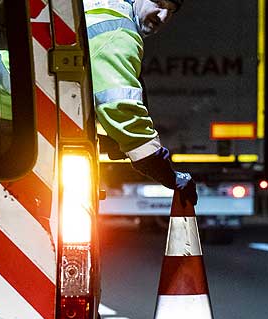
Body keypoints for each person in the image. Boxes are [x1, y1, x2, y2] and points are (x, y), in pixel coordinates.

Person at [85, 0, 198, 205]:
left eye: (170, 11)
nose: (163, 17)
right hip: (15, 112)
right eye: (159, 2)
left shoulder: (95, 10)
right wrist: (165, 172)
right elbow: (121, 108)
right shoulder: (117, 30)